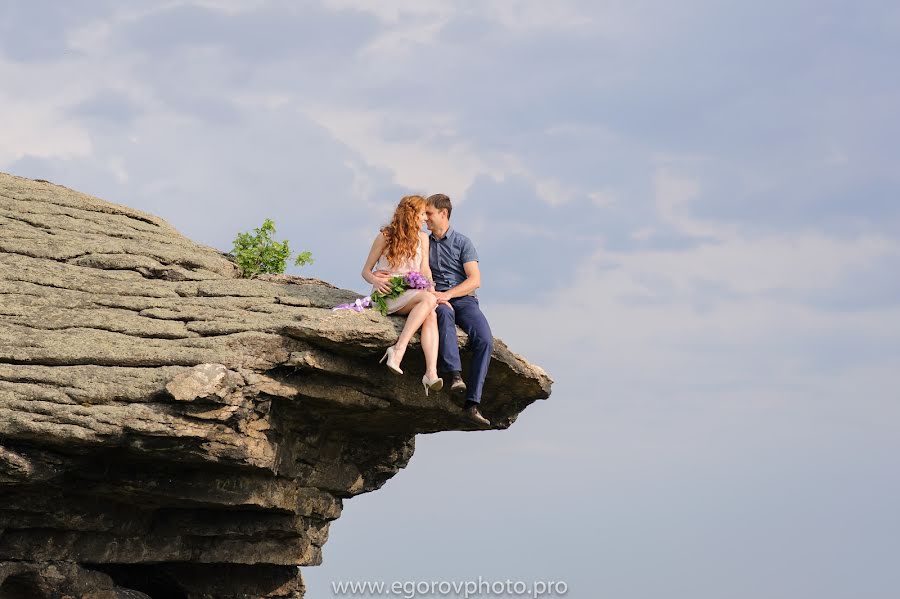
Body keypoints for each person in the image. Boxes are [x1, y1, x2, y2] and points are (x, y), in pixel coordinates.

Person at [361, 195, 443, 395]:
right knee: (428, 302)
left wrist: (433, 292)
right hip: (388, 293)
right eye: (423, 214)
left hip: (412, 293)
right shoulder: (386, 236)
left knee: (431, 311)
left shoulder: (423, 238)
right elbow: (366, 271)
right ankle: (398, 350)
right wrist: (376, 280)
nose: (425, 219)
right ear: (411, 214)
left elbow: (425, 270)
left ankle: (431, 373)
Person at [425, 194, 492, 427]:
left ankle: (472, 404)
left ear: (443, 213)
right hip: (436, 299)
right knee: (443, 313)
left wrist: (449, 294)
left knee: (484, 340)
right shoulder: (423, 243)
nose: (425, 219)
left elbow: (475, 280)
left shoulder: (463, 242)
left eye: (429, 214)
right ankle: (454, 376)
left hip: (464, 300)